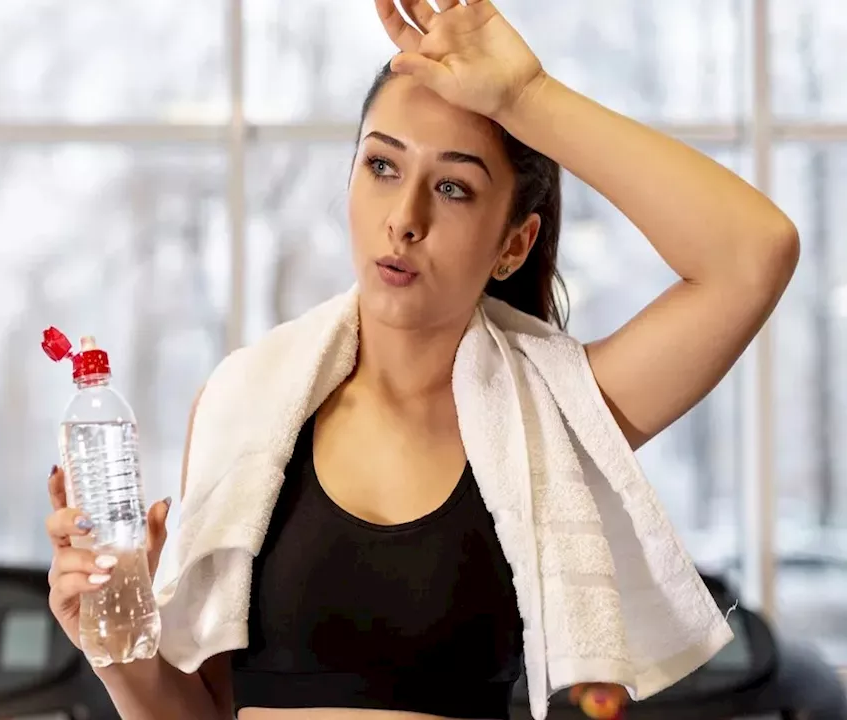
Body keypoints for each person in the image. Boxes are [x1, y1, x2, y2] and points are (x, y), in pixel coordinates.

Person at [44, 1, 799, 719]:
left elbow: (753, 255)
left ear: (514, 245)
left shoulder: (554, 418)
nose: (405, 220)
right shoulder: (242, 403)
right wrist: (116, 648)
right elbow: (206, 709)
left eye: (454, 187)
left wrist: (527, 97)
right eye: (382, 167)